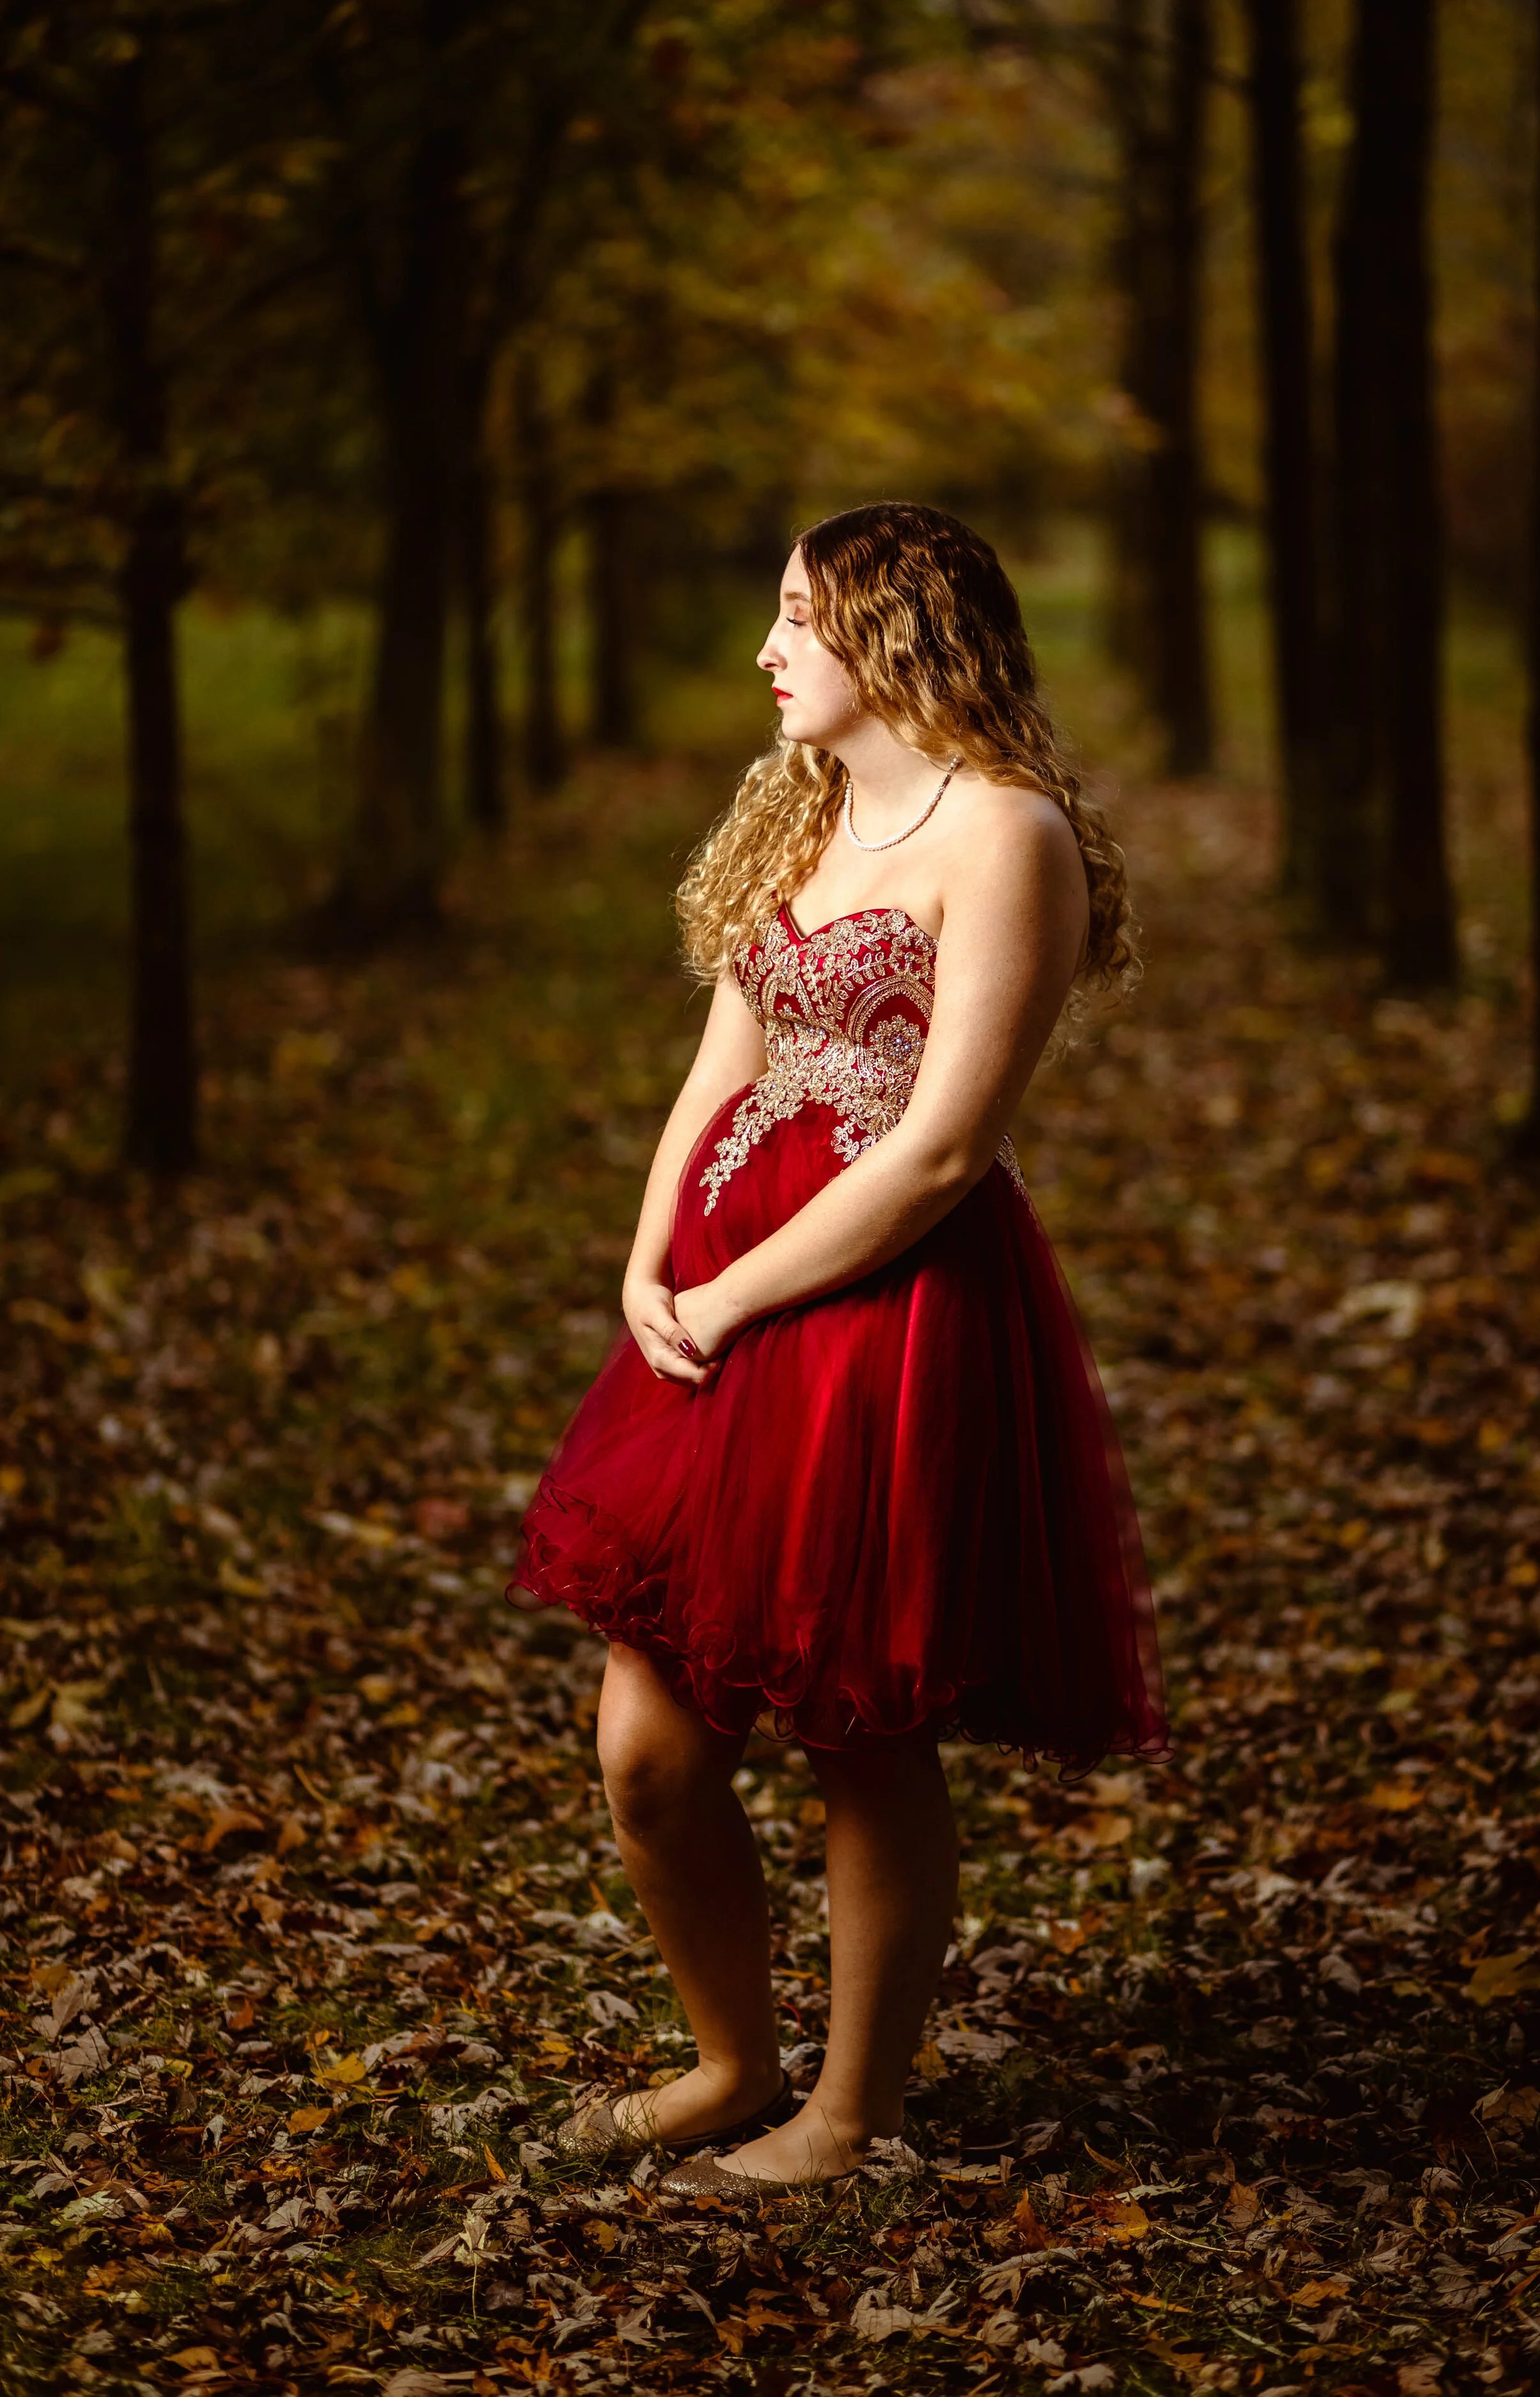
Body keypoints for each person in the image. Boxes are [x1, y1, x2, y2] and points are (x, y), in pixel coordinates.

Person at [507, 500, 1166, 2192]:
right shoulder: (799, 806)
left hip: (883, 1315)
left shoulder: (1005, 834)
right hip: (718, 1299)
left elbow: (942, 1151)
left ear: (897, 632)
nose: (767, 649)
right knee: (649, 1751)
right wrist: (651, 1258)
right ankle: (731, 2061)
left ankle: (851, 2108)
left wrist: (736, 1297)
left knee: (857, 1729)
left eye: (797, 617)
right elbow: (720, 1066)